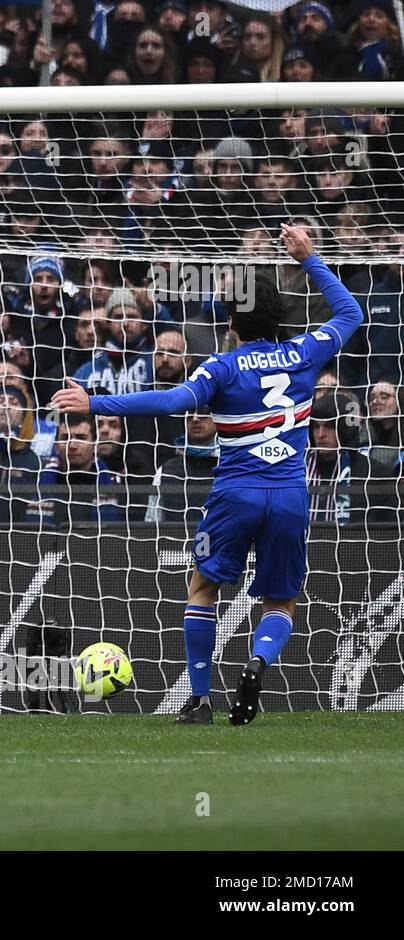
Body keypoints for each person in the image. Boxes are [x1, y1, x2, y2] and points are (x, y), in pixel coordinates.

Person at [51, 224, 363, 726]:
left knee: (202, 586)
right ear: (280, 313)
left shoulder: (222, 366)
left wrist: (95, 400)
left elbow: (173, 401)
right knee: (280, 599)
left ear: (233, 317)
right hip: (289, 495)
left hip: (234, 494)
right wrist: (309, 258)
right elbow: (352, 313)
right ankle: (259, 660)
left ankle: (199, 700)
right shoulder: (307, 352)